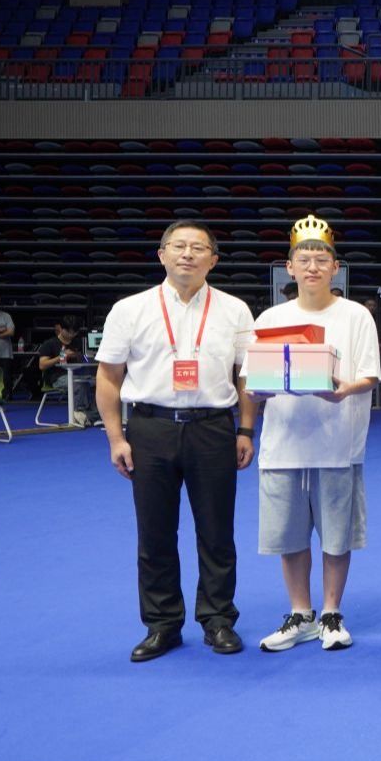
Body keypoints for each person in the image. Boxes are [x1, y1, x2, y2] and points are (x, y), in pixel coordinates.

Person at [94, 221, 256, 662]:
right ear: (161, 254)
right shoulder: (130, 309)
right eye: (178, 246)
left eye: (198, 248)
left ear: (213, 260)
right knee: (155, 533)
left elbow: (246, 377)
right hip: (150, 428)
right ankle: (162, 624)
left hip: (212, 427)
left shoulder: (235, 310)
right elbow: (108, 378)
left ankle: (218, 619)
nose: (187, 254)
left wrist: (245, 430)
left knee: (217, 531)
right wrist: (116, 438)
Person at [245, 217, 381, 653]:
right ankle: (300, 613)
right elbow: (253, 379)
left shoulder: (355, 316)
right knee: (289, 535)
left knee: (337, 535)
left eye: (321, 259)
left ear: (335, 267)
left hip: (338, 442)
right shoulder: (271, 318)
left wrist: (345, 389)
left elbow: (370, 375)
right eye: (303, 259)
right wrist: (258, 395)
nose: (312, 267)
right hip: (283, 443)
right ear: (289, 267)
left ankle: (331, 612)